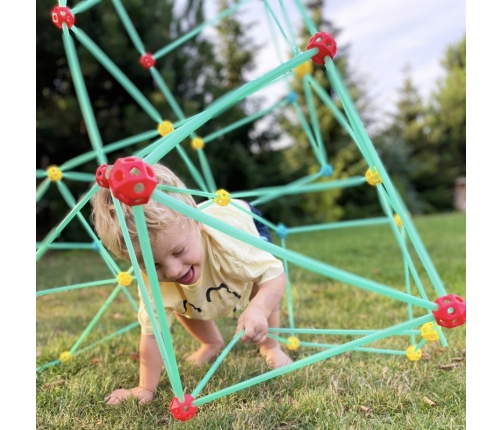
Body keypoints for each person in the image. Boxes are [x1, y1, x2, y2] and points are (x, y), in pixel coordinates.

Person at [90, 161, 292, 406]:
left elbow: (274, 274)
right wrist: (145, 388)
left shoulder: (232, 247)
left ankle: (271, 345)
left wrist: (259, 308)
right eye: (153, 265)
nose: (173, 270)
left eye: (178, 251)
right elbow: (154, 334)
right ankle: (210, 342)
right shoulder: (154, 282)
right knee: (178, 298)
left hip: (242, 218)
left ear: (197, 224)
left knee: (260, 282)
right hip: (198, 232)